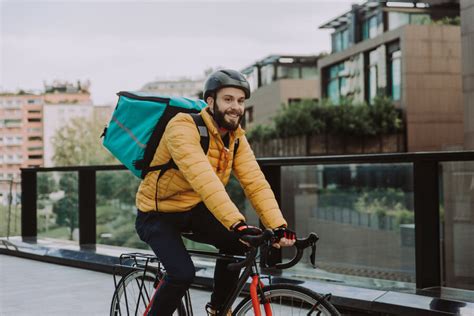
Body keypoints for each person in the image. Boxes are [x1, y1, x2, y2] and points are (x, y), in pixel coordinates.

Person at [135, 69, 296, 316]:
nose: (236, 107)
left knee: (239, 244)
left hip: (193, 209)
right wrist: (236, 223)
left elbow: (255, 182)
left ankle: (218, 310)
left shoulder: (236, 139)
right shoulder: (182, 126)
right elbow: (205, 180)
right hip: (156, 213)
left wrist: (278, 226)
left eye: (241, 101)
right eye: (228, 99)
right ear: (210, 101)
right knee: (181, 273)